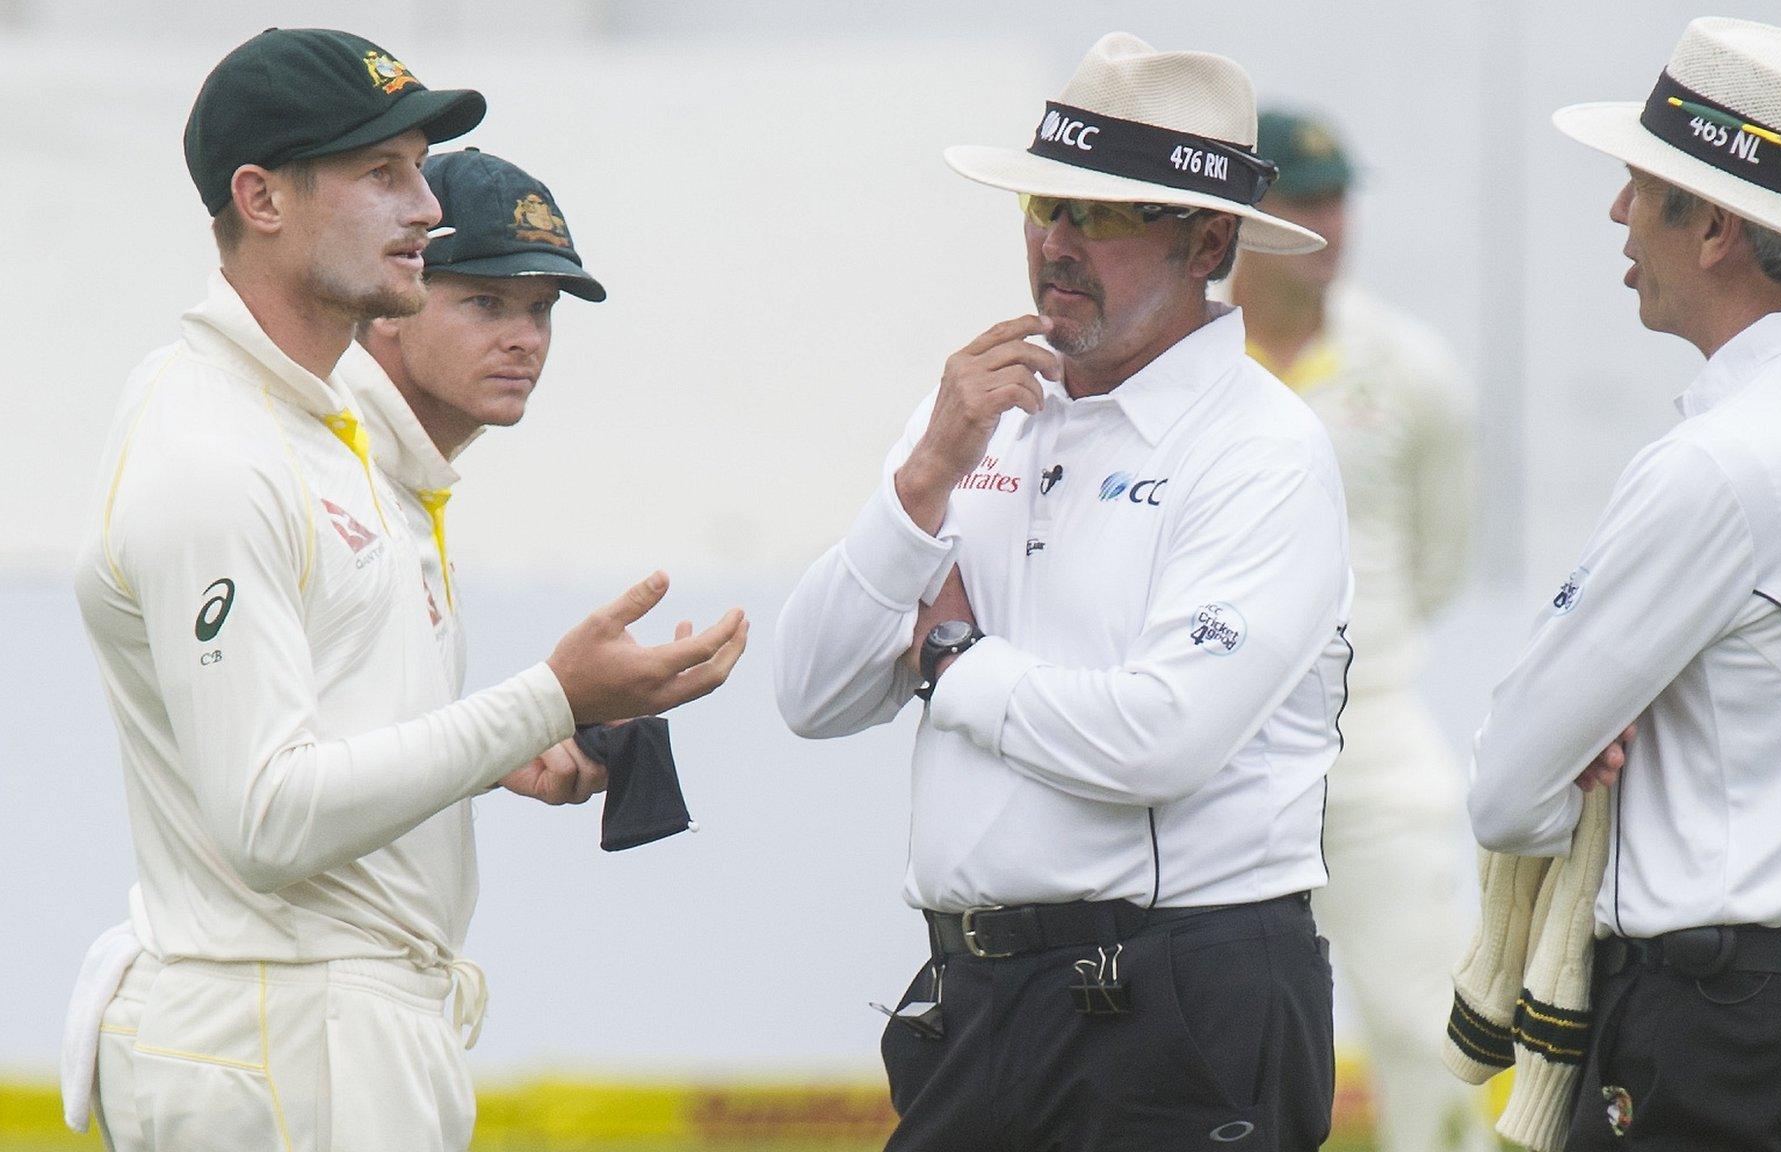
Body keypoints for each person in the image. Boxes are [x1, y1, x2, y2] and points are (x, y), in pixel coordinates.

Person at [67, 29, 746, 1151]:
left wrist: (494, 746)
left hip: (329, 1028)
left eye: (420, 169)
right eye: (382, 173)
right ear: (261, 197)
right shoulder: (215, 446)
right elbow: (269, 820)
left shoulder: (308, 425)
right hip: (284, 1034)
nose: (426, 207)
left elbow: (306, 743)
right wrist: (543, 699)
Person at [774, 32, 1351, 1150]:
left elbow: (1158, 739)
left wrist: (951, 665)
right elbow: (810, 692)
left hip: (1182, 1003)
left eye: (1106, 213)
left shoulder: (1262, 450)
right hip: (976, 1000)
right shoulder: (971, 414)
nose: (1058, 241)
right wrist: (926, 473)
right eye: (1044, 205)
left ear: (1208, 239)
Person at [1466, 17, 1781, 1150]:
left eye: (1641, 186)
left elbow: (1506, 789)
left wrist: (1579, 763)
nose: (1615, 215)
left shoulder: (1724, 462)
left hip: (1716, 1028)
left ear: (1715, 230)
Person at [1231, 109, 1489, 1152]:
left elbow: (1438, 563)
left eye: (1338, 197)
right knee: (1214, 1029)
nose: (1329, 222)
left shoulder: (1411, 369)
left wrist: (1349, 669)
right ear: (1237, 220)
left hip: (1370, 729)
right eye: (1300, 199)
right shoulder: (1181, 363)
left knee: (1427, 1020)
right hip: (1212, 742)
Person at [350, 145, 610, 787]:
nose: (526, 338)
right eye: (487, 303)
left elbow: (348, 738)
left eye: (541, 307)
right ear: (388, 305)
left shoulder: (400, 478)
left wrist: (493, 756)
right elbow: (275, 795)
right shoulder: (329, 477)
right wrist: (545, 702)